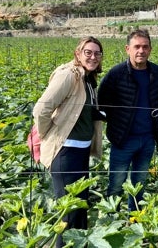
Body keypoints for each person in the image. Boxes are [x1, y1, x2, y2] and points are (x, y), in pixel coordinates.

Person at [33, 36, 104, 247]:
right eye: (88, 52)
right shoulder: (68, 76)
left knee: (80, 207)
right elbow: (41, 109)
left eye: (97, 53)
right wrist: (48, 135)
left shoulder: (89, 80)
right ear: (78, 54)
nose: (92, 56)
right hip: (64, 152)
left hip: (80, 153)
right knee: (67, 212)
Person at [98, 29, 158, 211]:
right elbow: (102, 102)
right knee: (116, 182)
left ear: (150, 49)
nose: (141, 51)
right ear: (127, 49)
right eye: (137, 47)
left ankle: (134, 217)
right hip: (123, 139)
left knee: (139, 183)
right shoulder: (116, 74)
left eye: (145, 47)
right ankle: (111, 218)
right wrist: (118, 122)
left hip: (147, 139)